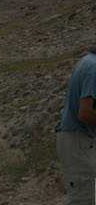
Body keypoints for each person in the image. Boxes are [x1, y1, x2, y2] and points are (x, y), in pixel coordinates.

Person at [59, 48, 96, 203]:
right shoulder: (94, 68)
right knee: (83, 199)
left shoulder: (88, 61)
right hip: (79, 141)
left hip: (78, 139)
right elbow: (86, 113)